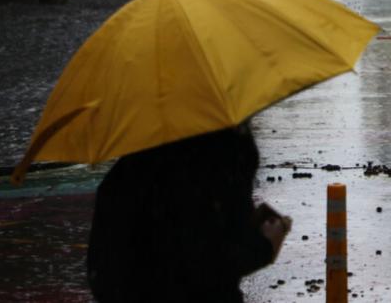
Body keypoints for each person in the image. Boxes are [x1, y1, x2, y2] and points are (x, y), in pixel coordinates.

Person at [87, 124, 290, 303]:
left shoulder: (123, 178)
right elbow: (214, 262)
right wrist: (265, 243)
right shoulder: (220, 162)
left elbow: (103, 277)